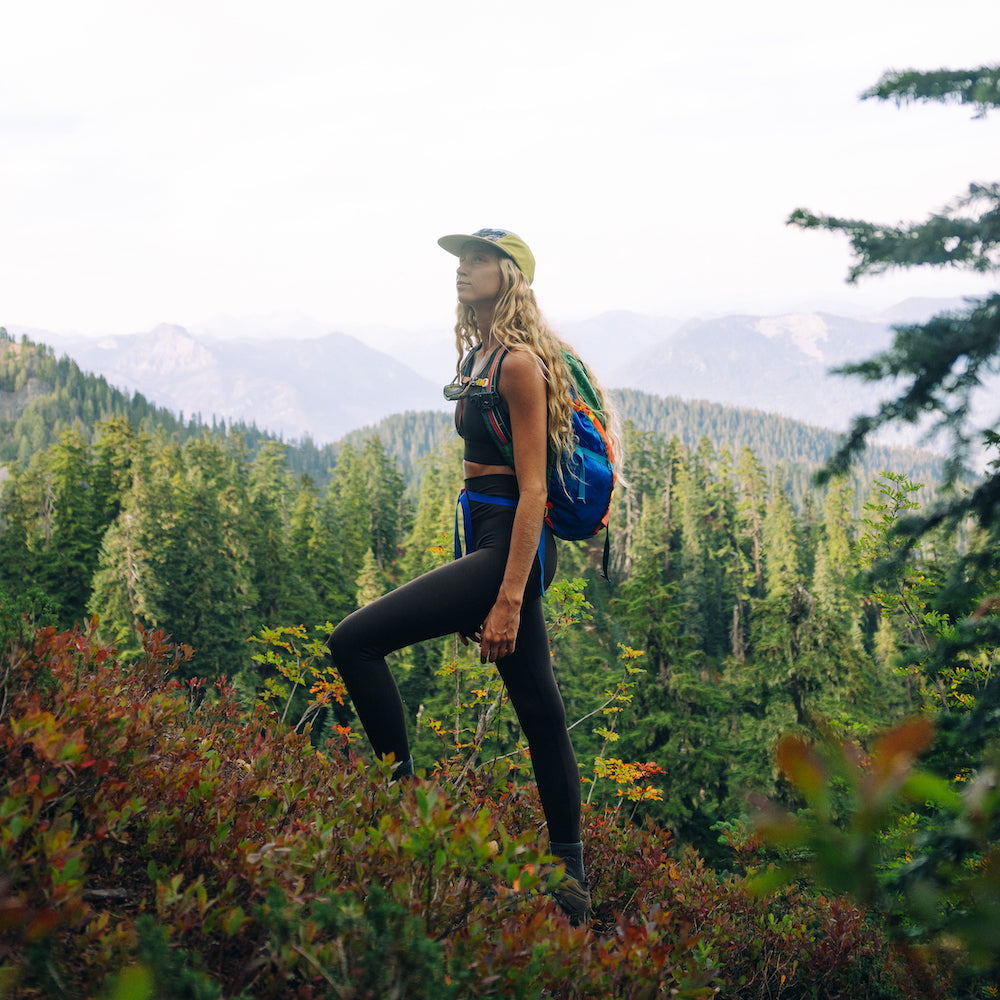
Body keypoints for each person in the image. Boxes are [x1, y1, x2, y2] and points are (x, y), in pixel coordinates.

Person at [328, 227, 616, 924]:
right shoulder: (479, 355)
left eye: (480, 259)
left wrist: (507, 596)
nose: (465, 269)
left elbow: (534, 493)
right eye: (461, 259)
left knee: (353, 643)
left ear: (510, 275)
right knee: (542, 713)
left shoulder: (518, 364)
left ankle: (400, 814)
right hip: (487, 543)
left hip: (515, 544)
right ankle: (572, 890)